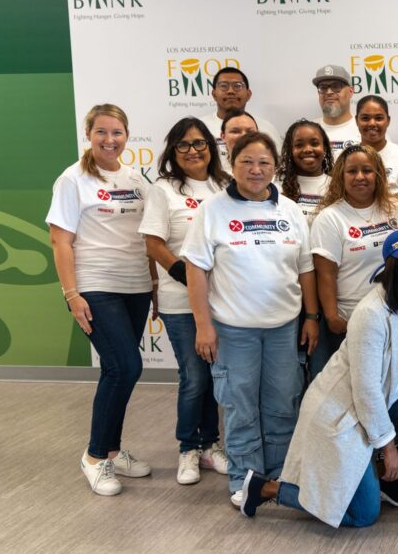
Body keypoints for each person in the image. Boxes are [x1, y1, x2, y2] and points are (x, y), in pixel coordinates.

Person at [238, 230, 398, 522]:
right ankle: (268, 488)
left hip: (378, 406)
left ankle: (383, 476)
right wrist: (388, 449)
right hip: (342, 415)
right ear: (390, 267)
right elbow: (366, 390)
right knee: (363, 515)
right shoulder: (372, 313)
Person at [181, 132, 320, 506]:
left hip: (283, 328)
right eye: (247, 162)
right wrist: (203, 325)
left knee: (282, 404)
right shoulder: (212, 210)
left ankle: (277, 475)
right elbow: (196, 269)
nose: (256, 170)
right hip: (233, 330)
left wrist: (311, 316)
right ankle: (244, 480)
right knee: (240, 407)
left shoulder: (290, 210)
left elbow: (305, 268)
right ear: (232, 164)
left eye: (264, 163)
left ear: (276, 167)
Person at [47, 104, 154, 496]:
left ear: (127, 136)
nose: (110, 140)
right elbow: (60, 240)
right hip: (94, 285)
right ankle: (94, 458)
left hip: (135, 285)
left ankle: (112, 449)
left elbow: (147, 235)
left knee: (120, 369)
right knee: (123, 366)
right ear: (88, 135)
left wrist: (154, 285)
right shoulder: (72, 179)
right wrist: (72, 294)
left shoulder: (135, 178)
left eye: (117, 133)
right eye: (101, 133)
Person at [139, 117, 231, 485]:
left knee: (213, 377)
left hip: (224, 301)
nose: (193, 151)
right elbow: (153, 243)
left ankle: (211, 446)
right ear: (173, 152)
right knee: (194, 378)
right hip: (182, 301)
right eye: (184, 145)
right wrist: (183, 274)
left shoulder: (225, 185)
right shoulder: (164, 190)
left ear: (211, 146)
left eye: (199, 143)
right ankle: (187, 449)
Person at [309, 144, 398, 375]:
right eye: (352, 171)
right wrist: (332, 316)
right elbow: (325, 274)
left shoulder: (396, 209)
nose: (360, 177)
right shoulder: (330, 217)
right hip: (350, 319)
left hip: (392, 315)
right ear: (341, 176)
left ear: (378, 174)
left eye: (367, 170)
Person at [276, 120, 335, 381]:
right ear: (289, 150)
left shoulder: (337, 186)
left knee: (324, 366)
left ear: (325, 148)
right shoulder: (275, 189)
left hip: (330, 290)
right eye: (299, 144)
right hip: (290, 291)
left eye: (314, 143)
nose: (307, 149)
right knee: (291, 368)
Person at [200, 67, 281, 157]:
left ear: (248, 94)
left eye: (237, 86)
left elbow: (277, 165)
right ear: (214, 94)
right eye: (223, 86)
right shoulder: (201, 127)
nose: (230, 91)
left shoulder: (267, 129)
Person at [356, 95, 398, 197]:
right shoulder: (346, 157)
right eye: (365, 118)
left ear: (388, 121)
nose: (372, 123)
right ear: (356, 120)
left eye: (378, 118)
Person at [312, 63, 361, 158]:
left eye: (336, 87)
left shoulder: (364, 130)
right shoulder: (308, 131)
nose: (329, 92)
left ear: (351, 92)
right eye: (323, 87)